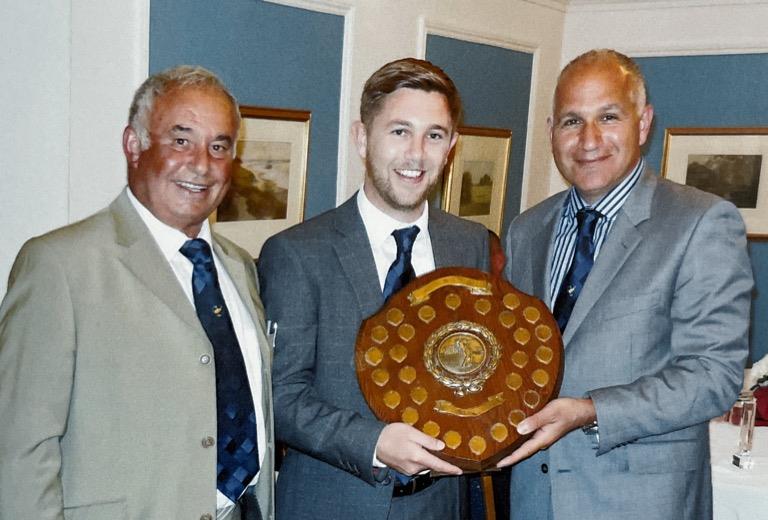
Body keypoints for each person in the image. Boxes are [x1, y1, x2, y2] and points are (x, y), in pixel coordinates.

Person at [0, 65, 274, 520]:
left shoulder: (239, 266)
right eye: (181, 140)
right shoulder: (59, 266)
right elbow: (19, 447)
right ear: (134, 145)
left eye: (219, 146)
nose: (202, 164)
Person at [497, 49, 753, 520]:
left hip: (640, 504)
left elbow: (713, 376)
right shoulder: (526, 230)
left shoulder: (701, 222)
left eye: (608, 116)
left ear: (643, 122)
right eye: (572, 121)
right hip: (535, 496)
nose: (589, 140)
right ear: (552, 131)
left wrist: (592, 410)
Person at [257, 58, 489, 519]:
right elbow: (279, 396)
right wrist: (375, 443)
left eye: (434, 135)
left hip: (439, 507)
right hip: (333, 505)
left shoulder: (472, 243)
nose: (416, 154)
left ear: (452, 147)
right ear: (362, 137)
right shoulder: (298, 253)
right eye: (399, 131)